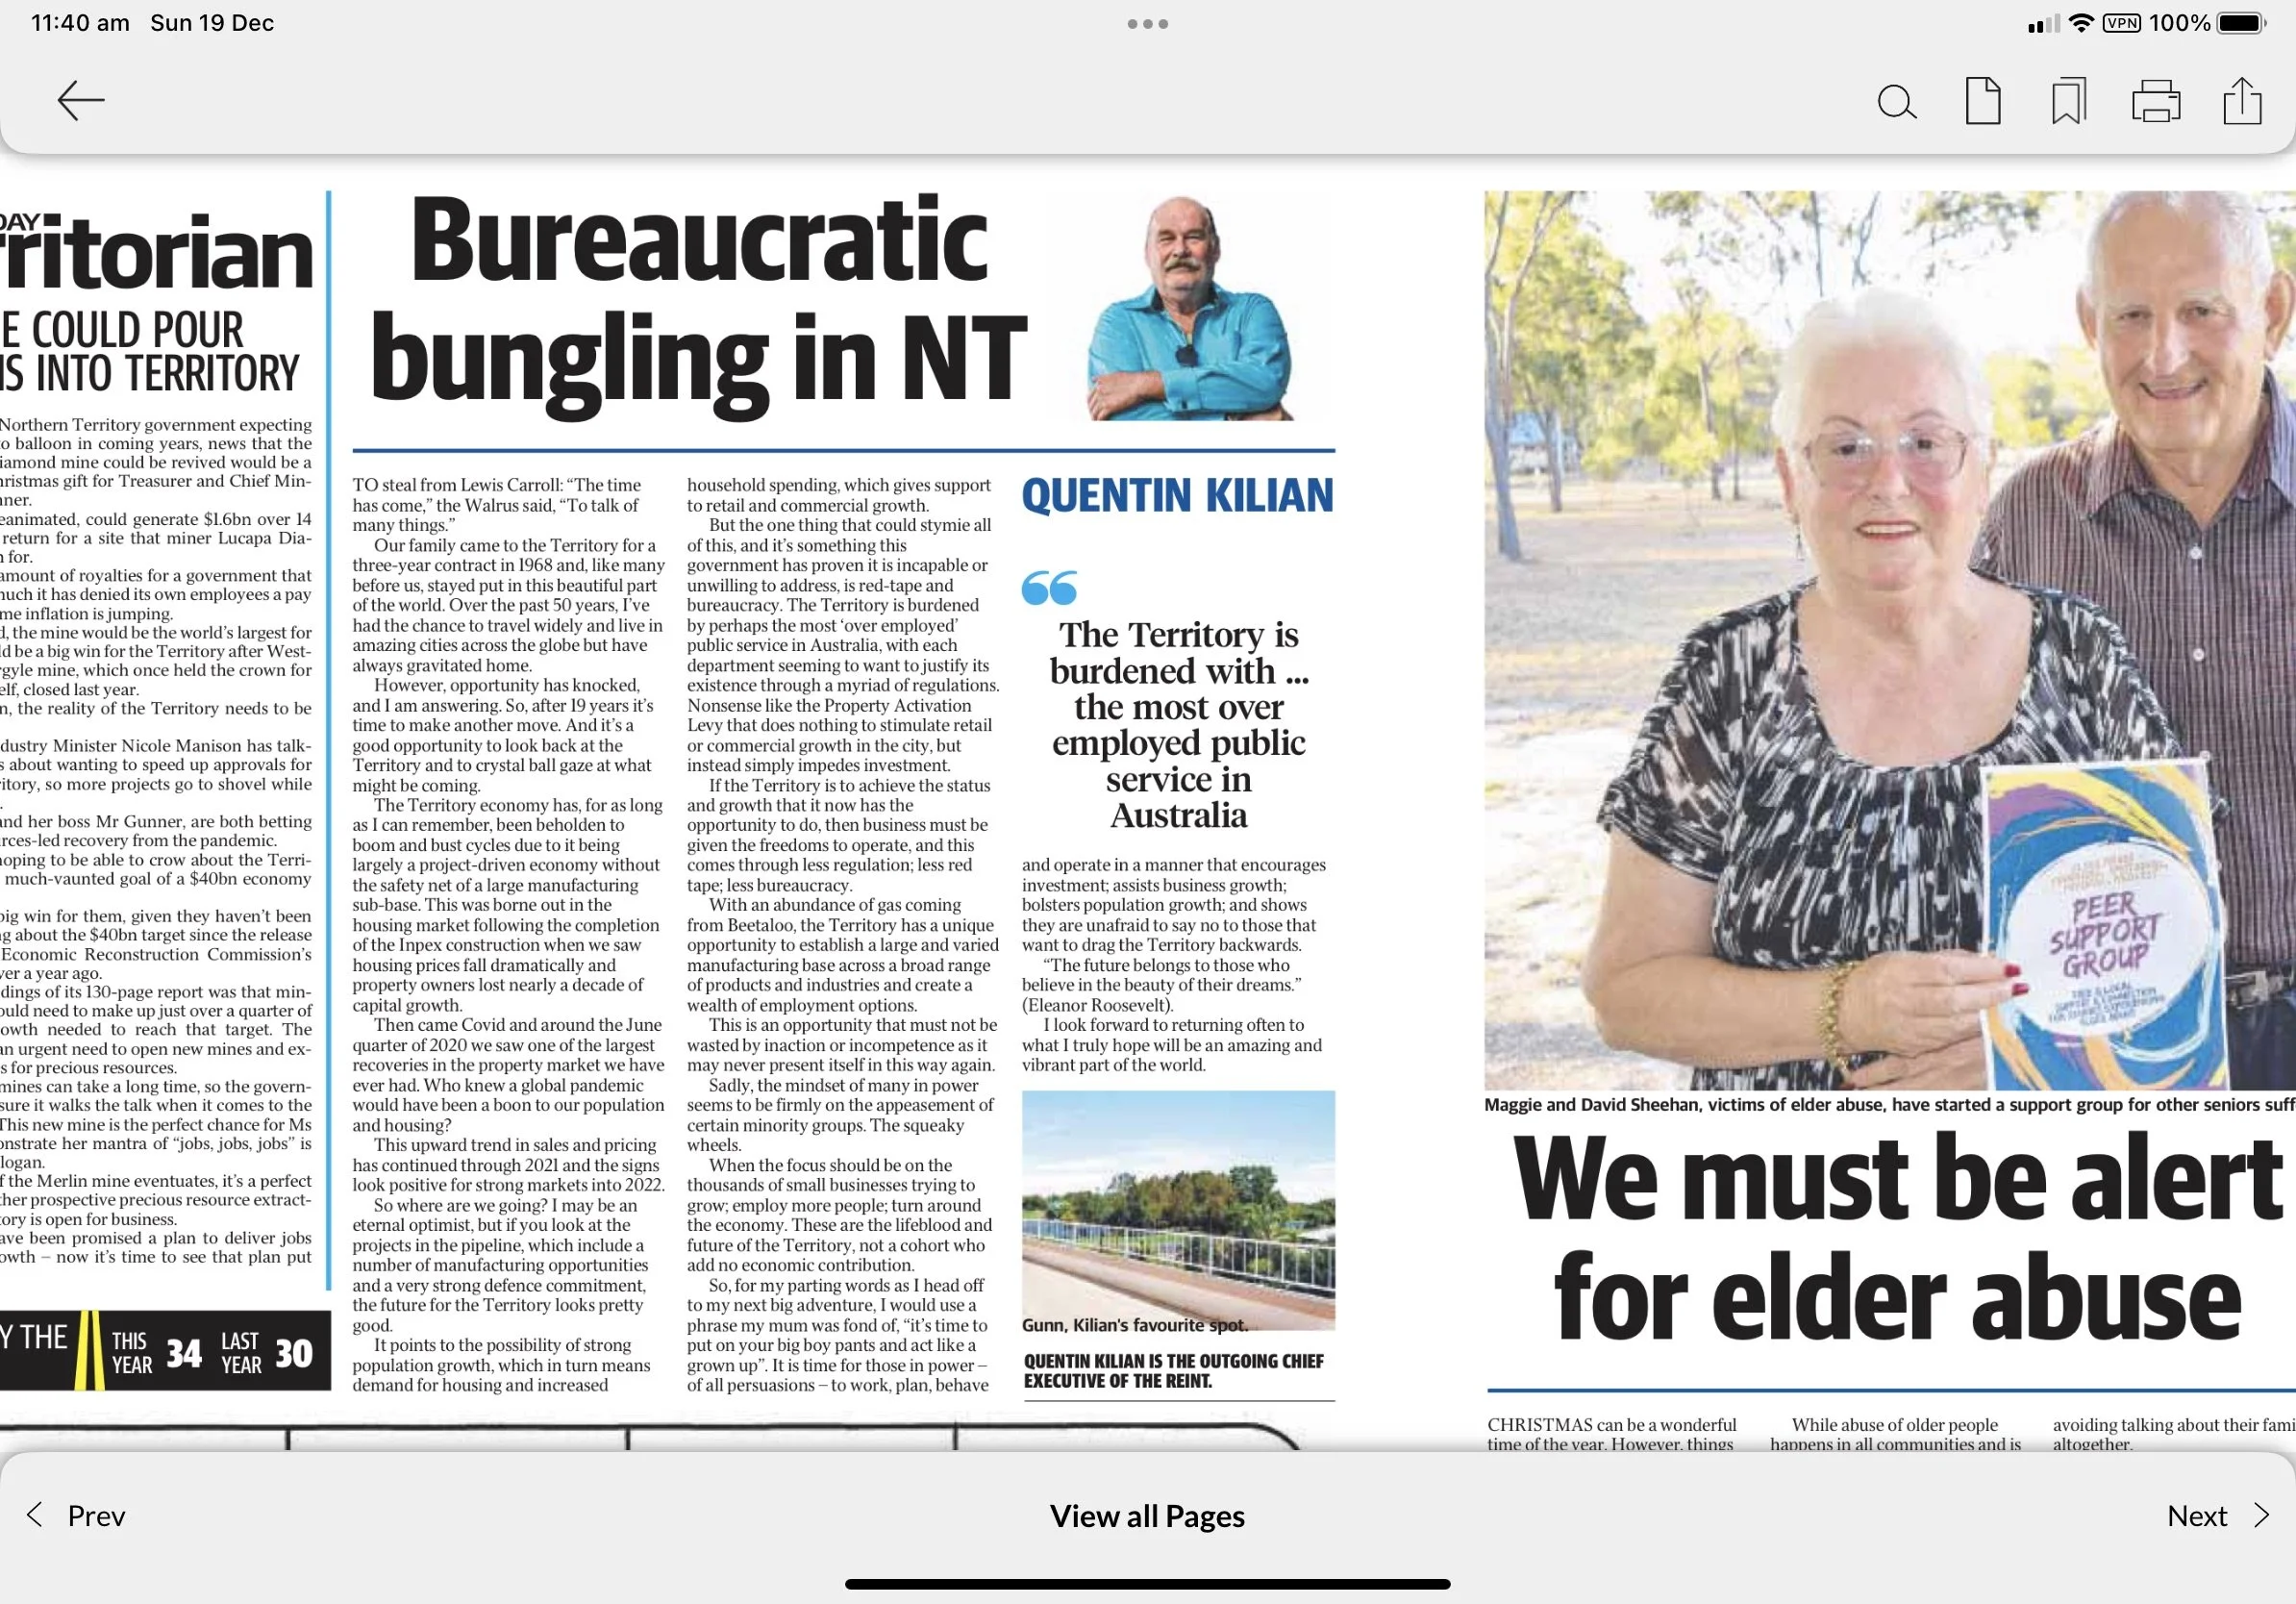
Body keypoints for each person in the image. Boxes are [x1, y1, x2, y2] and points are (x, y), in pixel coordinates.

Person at [1582, 290, 2183, 1091]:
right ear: (1790, 480)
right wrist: (1850, 1007)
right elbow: (1625, 992)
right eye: (1845, 448)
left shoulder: (2082, 657)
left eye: (1927, 441)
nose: (1889, 480)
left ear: (1982, 470)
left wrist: (2033, 1053)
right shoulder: (1727, 675)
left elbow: (2181, 949)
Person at [1977, 191, 2296, 1090]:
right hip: (2104, 1049)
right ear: (2089, 322)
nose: (2165, 354)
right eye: (2131, 316)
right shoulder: (2028, 520)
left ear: (2272, 312)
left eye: (2201, 310)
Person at [1086, 197, 1291, 421]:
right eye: (1166, 239)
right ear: (1147, 254)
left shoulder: (1253, 311)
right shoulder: (1118, 323)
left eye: (1194, 237)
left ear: (1215, 249)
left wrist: (1151, 384)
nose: (1180, 250)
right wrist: (1235, 421)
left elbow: (1266, 382)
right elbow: (1125, 421)